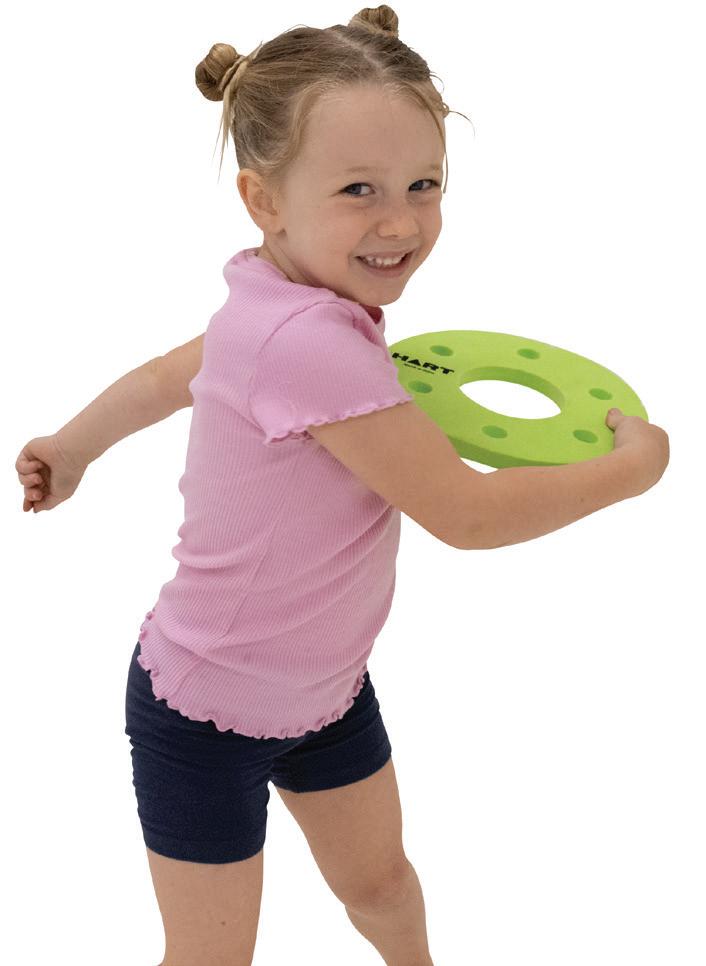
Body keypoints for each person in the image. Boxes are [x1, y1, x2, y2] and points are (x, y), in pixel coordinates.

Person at [14, 6, 670, 965]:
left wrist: (71, 448)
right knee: (210, 957)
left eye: (423, 184)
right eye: (359, 189)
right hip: (204, 711)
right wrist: (628, 470)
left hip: (324, 695)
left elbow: (165, 378)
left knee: (383, 887)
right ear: (263, 199)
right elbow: (466, 514)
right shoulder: (310, 344)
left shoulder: (275, 295)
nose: (400, 221)